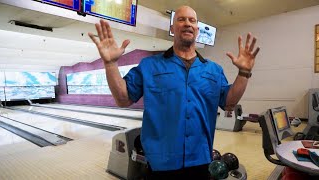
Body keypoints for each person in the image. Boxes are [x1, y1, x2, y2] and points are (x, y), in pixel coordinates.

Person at [89, 5, 260, 180]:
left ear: (197, 30)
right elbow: (123, 99)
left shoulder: (214, 70)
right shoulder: (149, 65)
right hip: (160, 164)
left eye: (192, 20)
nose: (187, 23)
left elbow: (229, 103)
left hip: (200, 161)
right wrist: (110, 64)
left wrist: (244, 73)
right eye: (181, 19)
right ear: (172, 29)